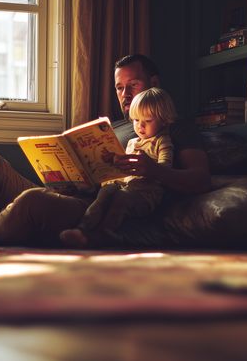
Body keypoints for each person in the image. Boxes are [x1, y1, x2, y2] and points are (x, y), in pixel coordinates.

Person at [0, 53, 211, 246]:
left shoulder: (175, 127)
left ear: (153, 83)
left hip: (101, 213)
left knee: (32, 201)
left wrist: (152, 170)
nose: (125, 95)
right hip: (77, 194)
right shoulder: (114, 127)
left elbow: (199, 179)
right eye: (120, 88)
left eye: (133, 86)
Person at [59, 87, 177, 248]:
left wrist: (149, 166)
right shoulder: (132, 142)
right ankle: (82, 228)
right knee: (105, 192)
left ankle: (104, 233)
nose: (140, 126)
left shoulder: (162, 141)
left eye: (147, 121)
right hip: (125, 187)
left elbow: (165, 167)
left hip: (146, 194)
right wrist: (112, 162)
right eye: (136, 120)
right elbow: (123, 169)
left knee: (121, 199)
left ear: (164, 120)